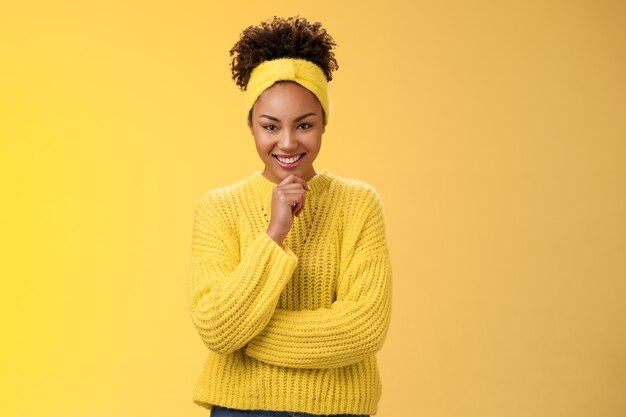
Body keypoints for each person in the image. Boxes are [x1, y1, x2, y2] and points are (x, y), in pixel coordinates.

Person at [188, 16, 392, 417]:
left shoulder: (359, 204)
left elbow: (363, 328)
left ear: (324, 125)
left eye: (304, 125)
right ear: (251, 126)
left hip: (338, 409)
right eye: (270, 126)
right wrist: (275, 231)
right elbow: (214, 326)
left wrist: (247, 335)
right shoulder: (218, 207)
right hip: (240, 409)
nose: (287, 142)